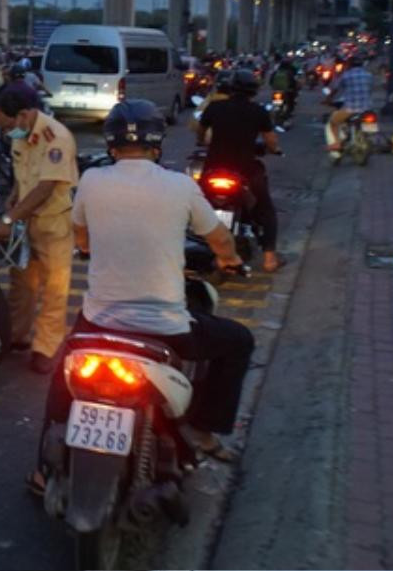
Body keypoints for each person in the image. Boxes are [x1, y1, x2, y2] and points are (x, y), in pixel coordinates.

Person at [27, 100, 253, 495]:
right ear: (157, 143)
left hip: (100, 323)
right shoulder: (181, 185)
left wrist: (92, 249)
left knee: (62, 381)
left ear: (111, 143)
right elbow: (219, 236)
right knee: (238, 341)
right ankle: (202, 430)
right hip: (166, 330)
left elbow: (81, 235)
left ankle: (43, 471)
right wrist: (229, 260)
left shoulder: (93, 180)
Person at [0, 86, 79, 373]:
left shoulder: (56, 139)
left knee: (54, 288)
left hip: (53, 222)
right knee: (22, 284)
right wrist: (14, 195)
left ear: (24, 114)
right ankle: (16, 337)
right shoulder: (21, 134)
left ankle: (46, 348)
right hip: (25, 220)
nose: (6, 132)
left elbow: (45, 187)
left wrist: (8, 219)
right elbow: (25, 174)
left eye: (7, 124)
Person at [198, 69, 283, 272]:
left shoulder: (215, 107)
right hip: (245, 170)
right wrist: (274, 150)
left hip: (213, 168)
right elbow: (271, 140)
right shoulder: (259, 111)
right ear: (253, 90)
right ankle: (270, 258)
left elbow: (201, 131)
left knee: (197, 204)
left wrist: (202, 141)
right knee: (265, 209)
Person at [324, 54, 374, 151]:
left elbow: (334, 90)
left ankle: (337, 144)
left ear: (349, 65)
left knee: (333, 122)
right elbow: (370, 89)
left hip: (350, 108)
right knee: (370, 123)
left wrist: (328, 99)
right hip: (367, 108)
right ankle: (369, 139)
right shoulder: (369, 75)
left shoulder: (346, 75)